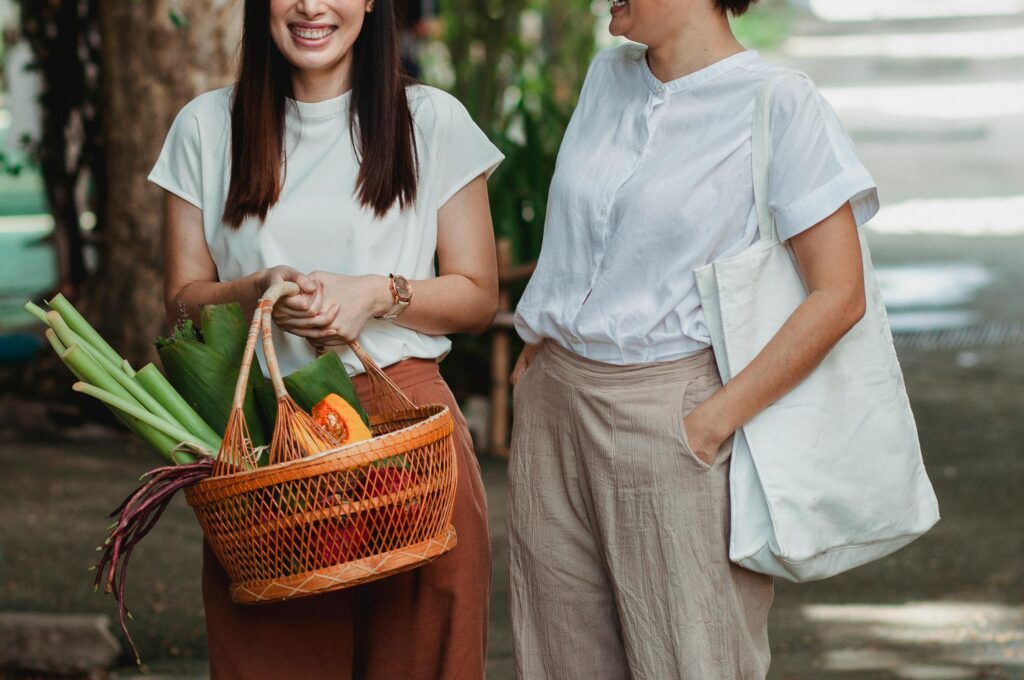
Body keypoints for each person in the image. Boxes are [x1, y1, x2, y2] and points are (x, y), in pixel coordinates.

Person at [507, 0, 879, 677]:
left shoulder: (779, 103)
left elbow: (839, 294)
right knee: (561, 660)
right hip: (555, 406)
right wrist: (540, 352)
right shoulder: (606, 78)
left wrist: (708, 425)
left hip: (672, 416)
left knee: (692, 659)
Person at [148, 0, 503, 677]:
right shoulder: (204, 127)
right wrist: (255, 292)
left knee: (421, 656)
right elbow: (183, 304)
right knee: (273, 655)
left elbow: (477, 295)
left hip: (404, 433)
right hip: (267, 445)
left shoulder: (430, 120)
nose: (312, 6)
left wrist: (377, 293)